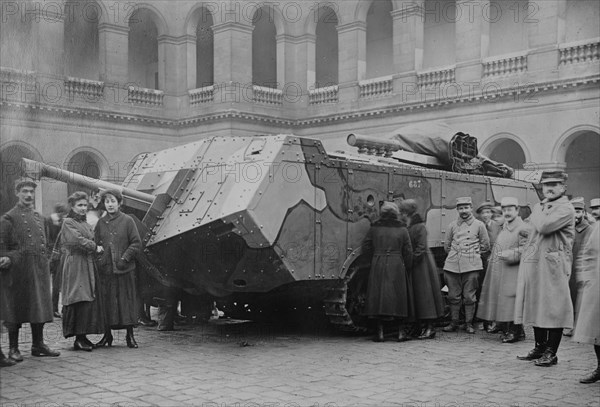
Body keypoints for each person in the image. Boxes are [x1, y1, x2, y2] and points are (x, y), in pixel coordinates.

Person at [515, 170, 575, 367]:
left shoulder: (565, 208)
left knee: (554, 308)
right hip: (537, 262)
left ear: (563, 187)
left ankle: (552, 352)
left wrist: (537, 210)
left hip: (554, 265)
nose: (548, 188)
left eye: (554, 185)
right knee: (537, 304)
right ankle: (540, 347)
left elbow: (544, 226)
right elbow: (525, 229)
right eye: (546, 185)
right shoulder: (543, 206)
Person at [0, 177, 60, 363]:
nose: (28, 195)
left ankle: (38, 344)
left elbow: (47, 242)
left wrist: (46, 259)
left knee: (39, 306)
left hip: (39, 269)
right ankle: (13, 348)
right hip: (18, 270)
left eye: (31, 191)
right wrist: (7, 258)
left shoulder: (38, 217)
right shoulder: (9, 218)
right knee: (15, 309)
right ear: (17, 193)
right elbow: (2, 246)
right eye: (24, 191)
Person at [94, 189, 142, 348]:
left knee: (126, 302)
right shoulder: (101, 223)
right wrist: (100, 257)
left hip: (124, 269)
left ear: (119, 203)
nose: (110, 205)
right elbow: (97, 243)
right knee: (107, 304)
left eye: (113, 201)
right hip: (106, 270)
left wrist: (125, 258)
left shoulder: (128, 221)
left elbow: (136, 243)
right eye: (107, 202)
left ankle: (130, 336)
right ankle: (107, 336)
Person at [476, 197, 528, 343]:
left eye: (510, 209)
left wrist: (510, 254)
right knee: (504, 300)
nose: (507, 212)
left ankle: (515, 331)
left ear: (517, 210)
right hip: (502, 270)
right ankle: (509, 328)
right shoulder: (505, 226)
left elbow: (528, 248)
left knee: (512, 300)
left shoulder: (522, 228)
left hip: (513, 271)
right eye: (504, 210)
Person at [60, 192, 106, 351]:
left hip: (87, 263)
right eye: (79, 205)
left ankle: (82, 336)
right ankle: (78, 338)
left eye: (85, 205)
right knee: (78, 297)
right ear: (72, 206)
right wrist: (95, 247)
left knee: (87, 298)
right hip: (76, 264)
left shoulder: (85, 223)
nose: (82, 208)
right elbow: (76, 240)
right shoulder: (68, 222)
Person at [362, 202, 413, 342]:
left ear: (382, 213)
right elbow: (408, 251)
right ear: (396, 213)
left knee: (379, 296)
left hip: (378, 261)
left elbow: (365, 246)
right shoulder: (403, 229)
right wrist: (407, 266)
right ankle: (401, 333)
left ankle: (380, 333)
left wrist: (372, 260)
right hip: (397, 263)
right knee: (399, 296)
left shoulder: (375, 228)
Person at [442, 197, 490, 334]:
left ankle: (469, 323)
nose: (464, 211)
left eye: (466, 208)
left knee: (469, 296)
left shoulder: (479, 225)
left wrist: (473, 254)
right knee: (453, 296)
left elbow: (485, 245)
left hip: (471, 265)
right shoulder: (452, 225)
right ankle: (454, 322)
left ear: (471, 208)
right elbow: (447, 245)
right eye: (461, 208)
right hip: (452, 265)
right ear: (457, 210)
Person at [398, 199, 443, 339]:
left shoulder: (419, 227)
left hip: (422, 265)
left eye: (402, 212)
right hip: (417, 263)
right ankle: (422, 327)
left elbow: (421, 248)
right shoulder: (411, 226)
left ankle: (430, 328)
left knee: (425, 296)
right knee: (418, 296)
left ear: (407, 213)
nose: (401, 215)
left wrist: (410, 261)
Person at [572, 222, 600, 383]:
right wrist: (586, 276)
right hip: (597, 287)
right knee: (597, 332)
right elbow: (586, 254)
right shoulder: (597, 227)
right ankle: (599, 368)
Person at [564, 198, 593, 337]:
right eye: (573, 211)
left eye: (579, 211)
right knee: (567, 296)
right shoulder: (567, 228)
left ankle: (575, 326)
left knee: (576, 297)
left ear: (583, 212)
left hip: (578, 268)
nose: (576, 214)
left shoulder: (588, 229)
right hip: (566, 267)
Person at [475, 201, 502, 331]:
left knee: (493, 290)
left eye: (488, 212)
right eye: (483, 213)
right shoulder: (478, 226)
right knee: (482, 289)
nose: (486, 215)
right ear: (479, 215)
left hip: (494, 261)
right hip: (480, 260)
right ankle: (484, 320)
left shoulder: (497, 226)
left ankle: (493, 320)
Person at [46, 202, 69, 318]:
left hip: (54, 256)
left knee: (56, 283)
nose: (63, 215)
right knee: (55, 284)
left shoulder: (58, 221)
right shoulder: (51, 221)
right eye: (62, 213)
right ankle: (53, 308)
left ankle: (55, 308)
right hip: (54, 256)